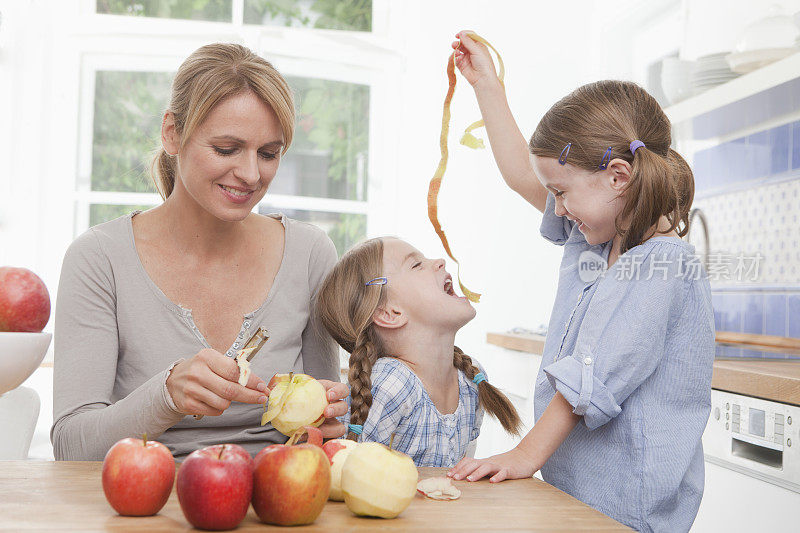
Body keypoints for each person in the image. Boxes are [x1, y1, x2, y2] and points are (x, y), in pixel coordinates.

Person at [446, 32, 715, 533]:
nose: (558, 208)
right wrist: (488, 87)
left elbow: (586, 379)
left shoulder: (663, 265)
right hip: (580, 500)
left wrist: (523, 455)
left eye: (562, 193)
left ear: (617, 176)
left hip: (629, 514)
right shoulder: (595, 238)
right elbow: (521, 174)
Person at [51, 43, 349, 461]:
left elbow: (324, 436)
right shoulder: (99, 260)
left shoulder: (310, 253)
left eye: (269, 153)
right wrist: (167, 395)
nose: (250, 174)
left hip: (278, 506)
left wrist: (329, 417)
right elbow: (71, 446)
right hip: (143, 507)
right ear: (172, 132)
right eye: (226, 149)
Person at [316, 236, 521, 467]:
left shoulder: (470, 379)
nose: (440, 261)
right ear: (390, 313)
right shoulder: (392, 384)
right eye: (416, 265)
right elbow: (348, 475)